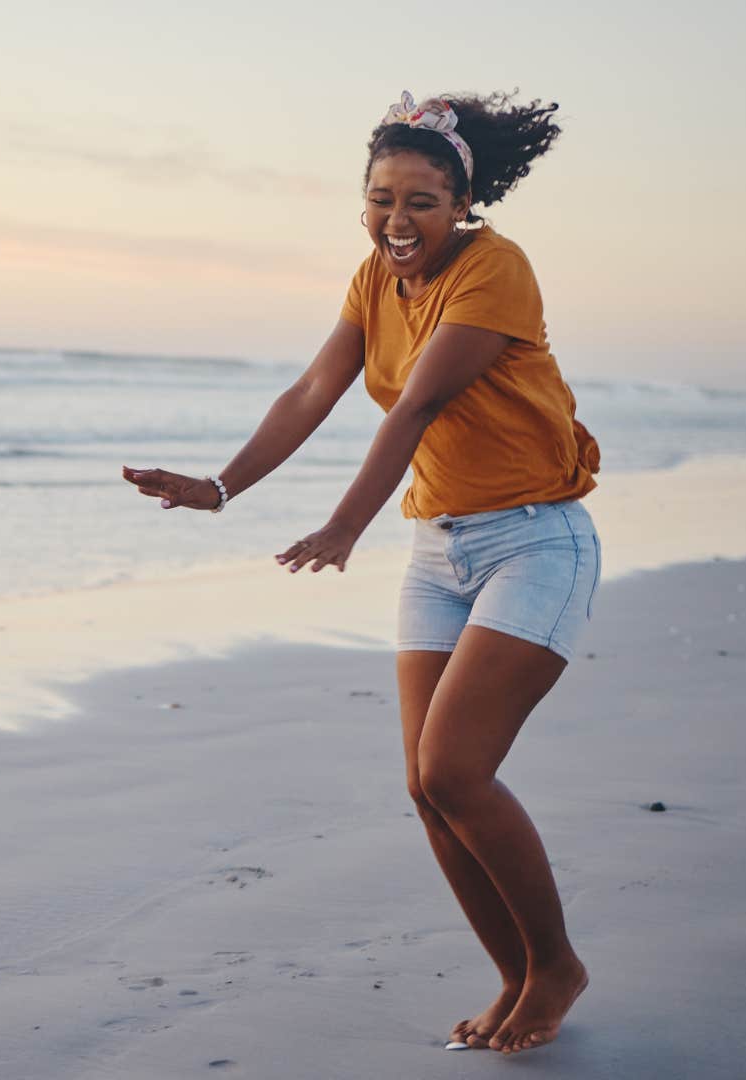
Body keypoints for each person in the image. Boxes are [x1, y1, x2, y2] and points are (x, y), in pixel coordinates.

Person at [123, 91, 598, 1055]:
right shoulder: (372, 278)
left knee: (456, 769)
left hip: (534, 541)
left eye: (422, 201)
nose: (397, 220)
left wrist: (342, 525)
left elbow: (414, 405)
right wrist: (220, 488)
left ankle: (555, 965)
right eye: (381, 198)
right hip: (439, 549)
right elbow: (313, 388)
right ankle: (516, 975)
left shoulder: (496, 268)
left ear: (464, 202)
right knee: (427, 788)